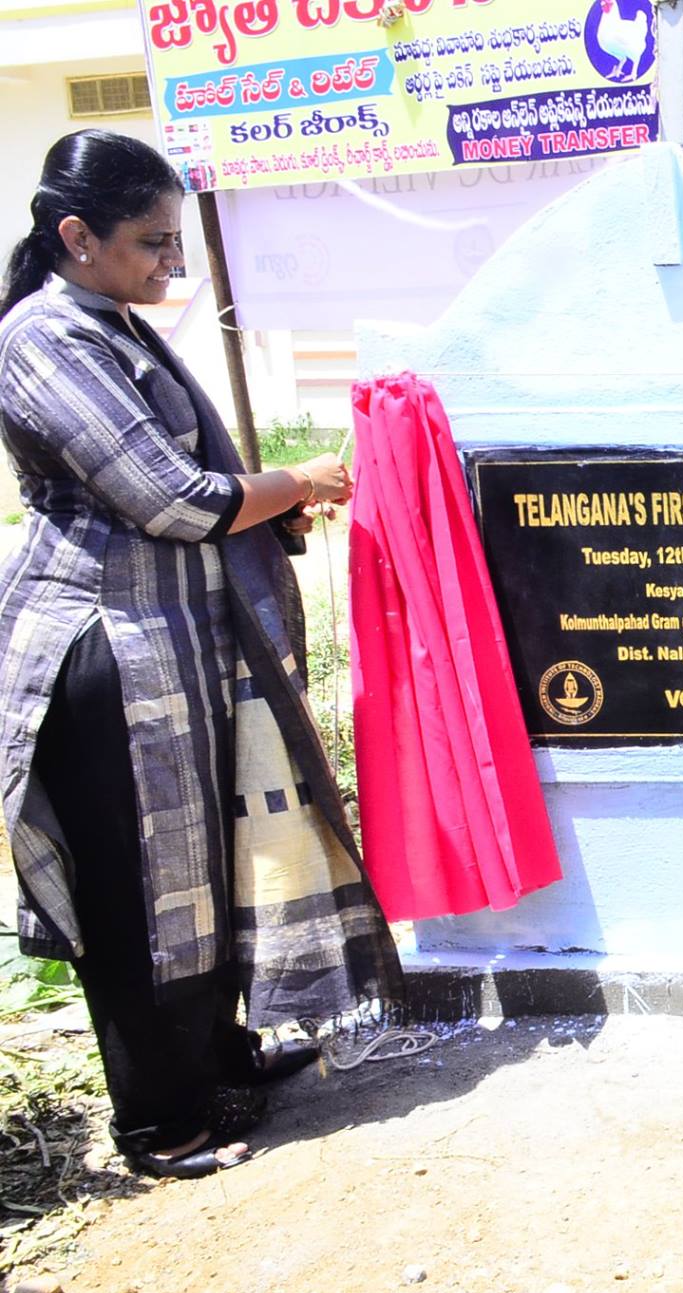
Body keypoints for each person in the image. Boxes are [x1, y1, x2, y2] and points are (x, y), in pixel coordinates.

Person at [0, 131, 403, 1180]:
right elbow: (173, 500)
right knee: (135, 893)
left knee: (203, 869)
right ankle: (160, 1123)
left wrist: (272, 507)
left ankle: (221, 1056)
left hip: (174, 644)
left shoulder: (107, 320)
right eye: (150, 245)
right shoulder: (44, 338)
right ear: (75, 236)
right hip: (107, 654)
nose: (170, 268)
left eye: (177, 244)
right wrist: (297, 481)